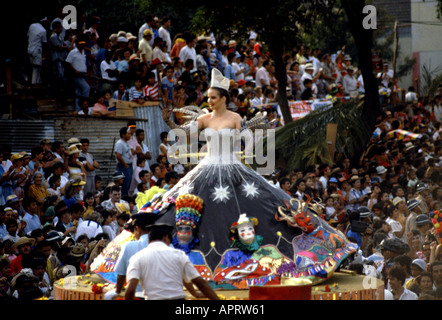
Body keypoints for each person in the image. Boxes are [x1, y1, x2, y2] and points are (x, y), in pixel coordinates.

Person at [158, 67, 357, 273]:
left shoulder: (235, 118)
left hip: (232, 168)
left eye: (213, 97)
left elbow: (248, 142)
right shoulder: (204, 119)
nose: (209, 101)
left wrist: (252, 143)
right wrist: (168, 121)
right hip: (207, 168)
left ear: (224, 98)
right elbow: (183, 134)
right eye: (208, 97)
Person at [125, 223, 220, 300]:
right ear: (166, 237)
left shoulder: (137, 258)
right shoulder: (179, 255)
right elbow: (200, 283)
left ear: (150, 239)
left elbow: (130, 290)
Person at [65, 36, 90, 112]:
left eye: (83, 43)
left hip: (83, 73)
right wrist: (74, 70)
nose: (83, 45)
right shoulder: (73, 52)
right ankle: (85, 105)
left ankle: (78, 109)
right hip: (76, 74)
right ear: (77, 44)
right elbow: (67, 62)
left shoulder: (83, 52)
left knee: (78, 92)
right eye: (81, 43)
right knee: (86, 88)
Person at [27, 17, 48, 84]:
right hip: (37, 50)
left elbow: (28, 35)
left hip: (30, 49)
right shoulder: (43, 30)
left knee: (34, 67)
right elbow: (44, 43)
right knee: (37, 68)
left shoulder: (32, 26)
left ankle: (37, 83)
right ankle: (34, 84)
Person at [115, 127, 134, 196]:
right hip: (123, 166)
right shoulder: (119, 143)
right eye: (128, 134)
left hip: (128, 166)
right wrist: (125, 164)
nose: (130, 135)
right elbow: (118, 155)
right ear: (123, 135)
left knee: (128, 184)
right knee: (124, 185)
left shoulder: (125, 143)